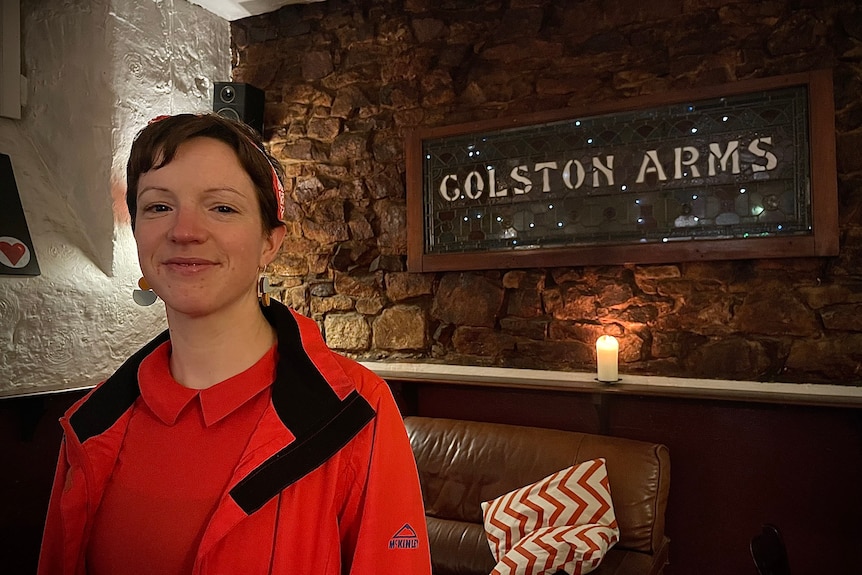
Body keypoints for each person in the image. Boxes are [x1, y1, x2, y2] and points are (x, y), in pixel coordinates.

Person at [38, 113, 432, 575]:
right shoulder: (91, 422)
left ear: (270, 242)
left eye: (222, 208)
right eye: (158, 207)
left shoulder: (355, 411)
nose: (185, 231)